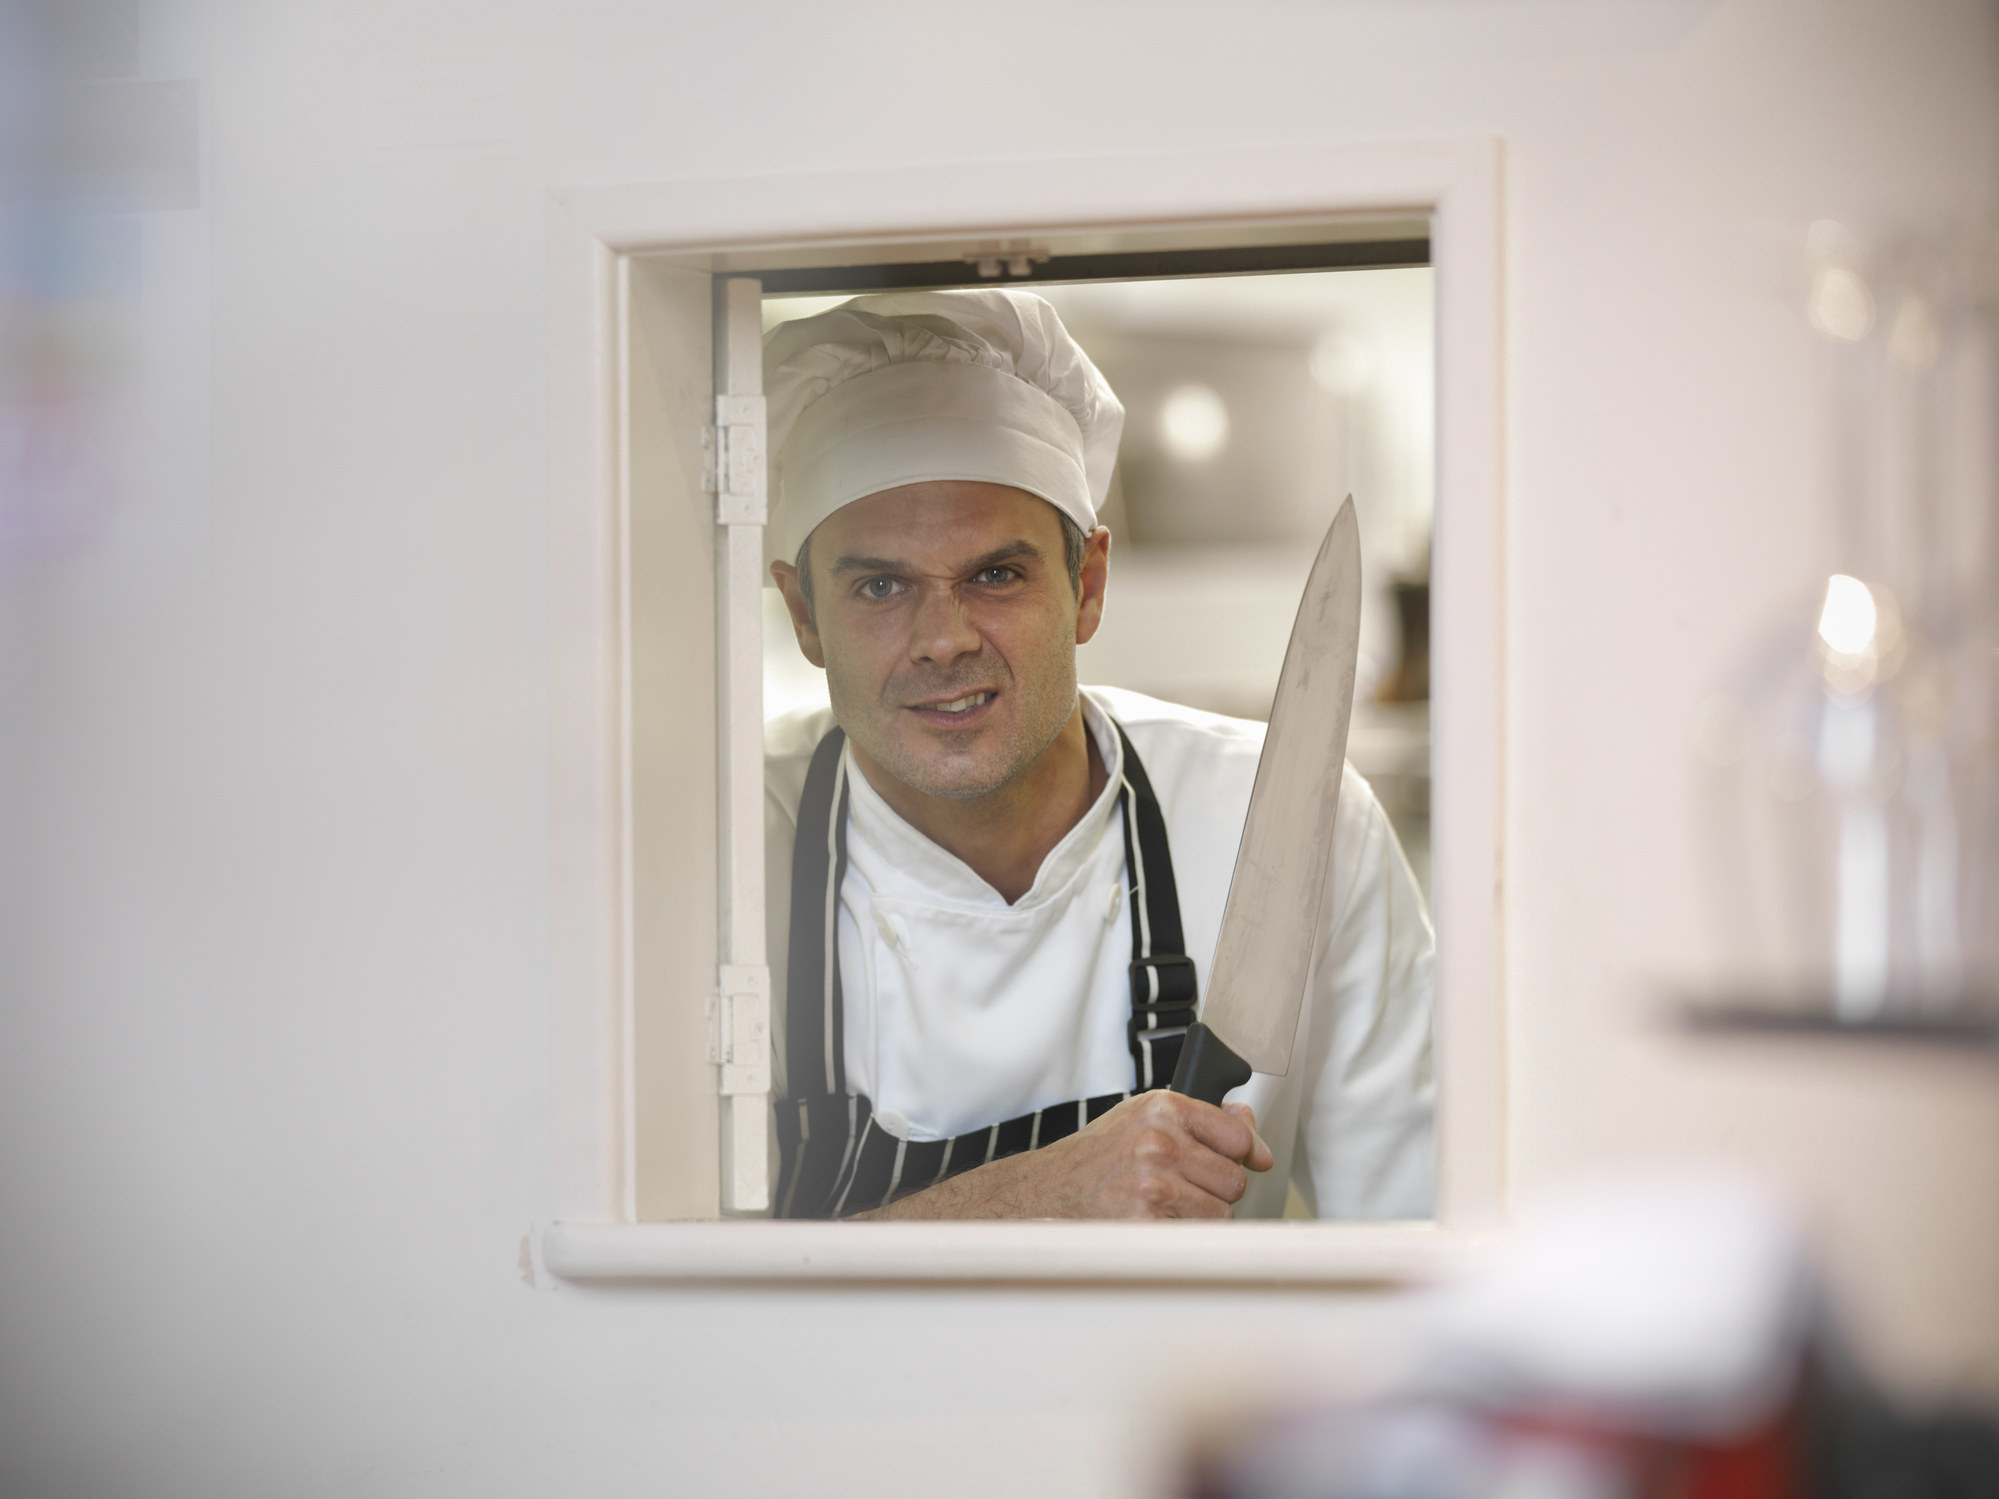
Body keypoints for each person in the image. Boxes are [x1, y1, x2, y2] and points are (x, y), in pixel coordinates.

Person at [760, 289, 1433, 1220]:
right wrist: (1038, 1198)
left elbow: (1408, 1242)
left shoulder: (1281, 825)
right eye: (880, 585)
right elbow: (659, 1309)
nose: (943, 639)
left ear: (1088, 584)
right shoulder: (713, 860)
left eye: (995, 574)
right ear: (803, 614)